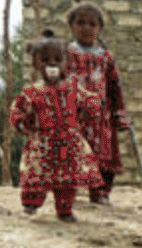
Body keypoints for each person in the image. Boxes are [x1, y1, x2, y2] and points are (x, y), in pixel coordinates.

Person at [9, 31, 103, 222]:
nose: (51, 64)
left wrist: (87, 112)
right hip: (42, 142)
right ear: (35, 63)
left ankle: (65, 208)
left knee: (68, 180)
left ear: (65, 63)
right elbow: (18, 109)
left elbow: (92, 102)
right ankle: (31, 204)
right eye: (44, 60)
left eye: (57, 59)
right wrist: (20, 122)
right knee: (36, 174)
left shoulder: (73, 88)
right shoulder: (32, 91)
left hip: (69, 143)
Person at [65, 1, 130, 205]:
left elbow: (115, 88)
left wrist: (119, 115)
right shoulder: (65, 55)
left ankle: (100, 192)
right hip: (73, 115)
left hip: (101, 117)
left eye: (92, 24)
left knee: (103, 156)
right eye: (81, 22)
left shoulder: (106, 58)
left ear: (99, 29)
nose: (86, 28)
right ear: (72, 26)